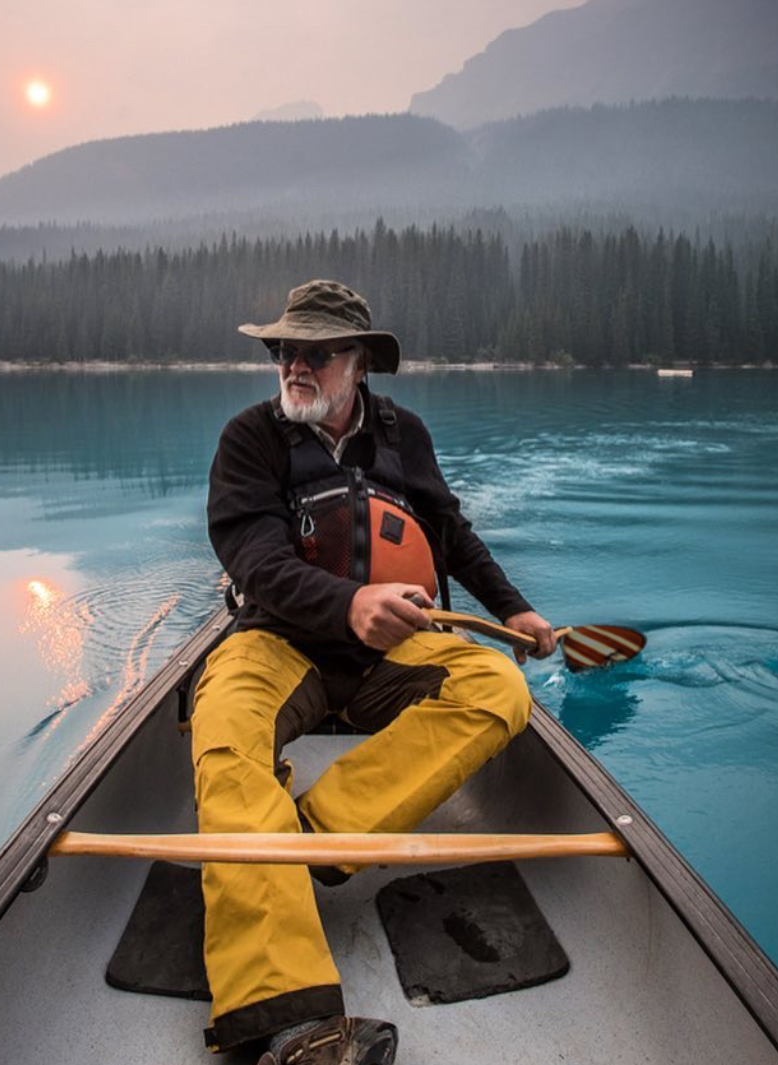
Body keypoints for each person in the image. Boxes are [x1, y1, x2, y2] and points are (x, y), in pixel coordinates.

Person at [192, 279, 555, 1065]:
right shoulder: (248, 438)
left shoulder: (403, 435)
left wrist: (514, 608)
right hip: (280, 640)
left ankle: (313, 838)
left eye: (316, 353)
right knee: (223, 732)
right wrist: (349, 602)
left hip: (394, 649)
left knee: (497, 686)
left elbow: (449, 533)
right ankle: (289, 1022)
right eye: (286, 350)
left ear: (358, 364)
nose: (295, 365)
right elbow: (253, 558)